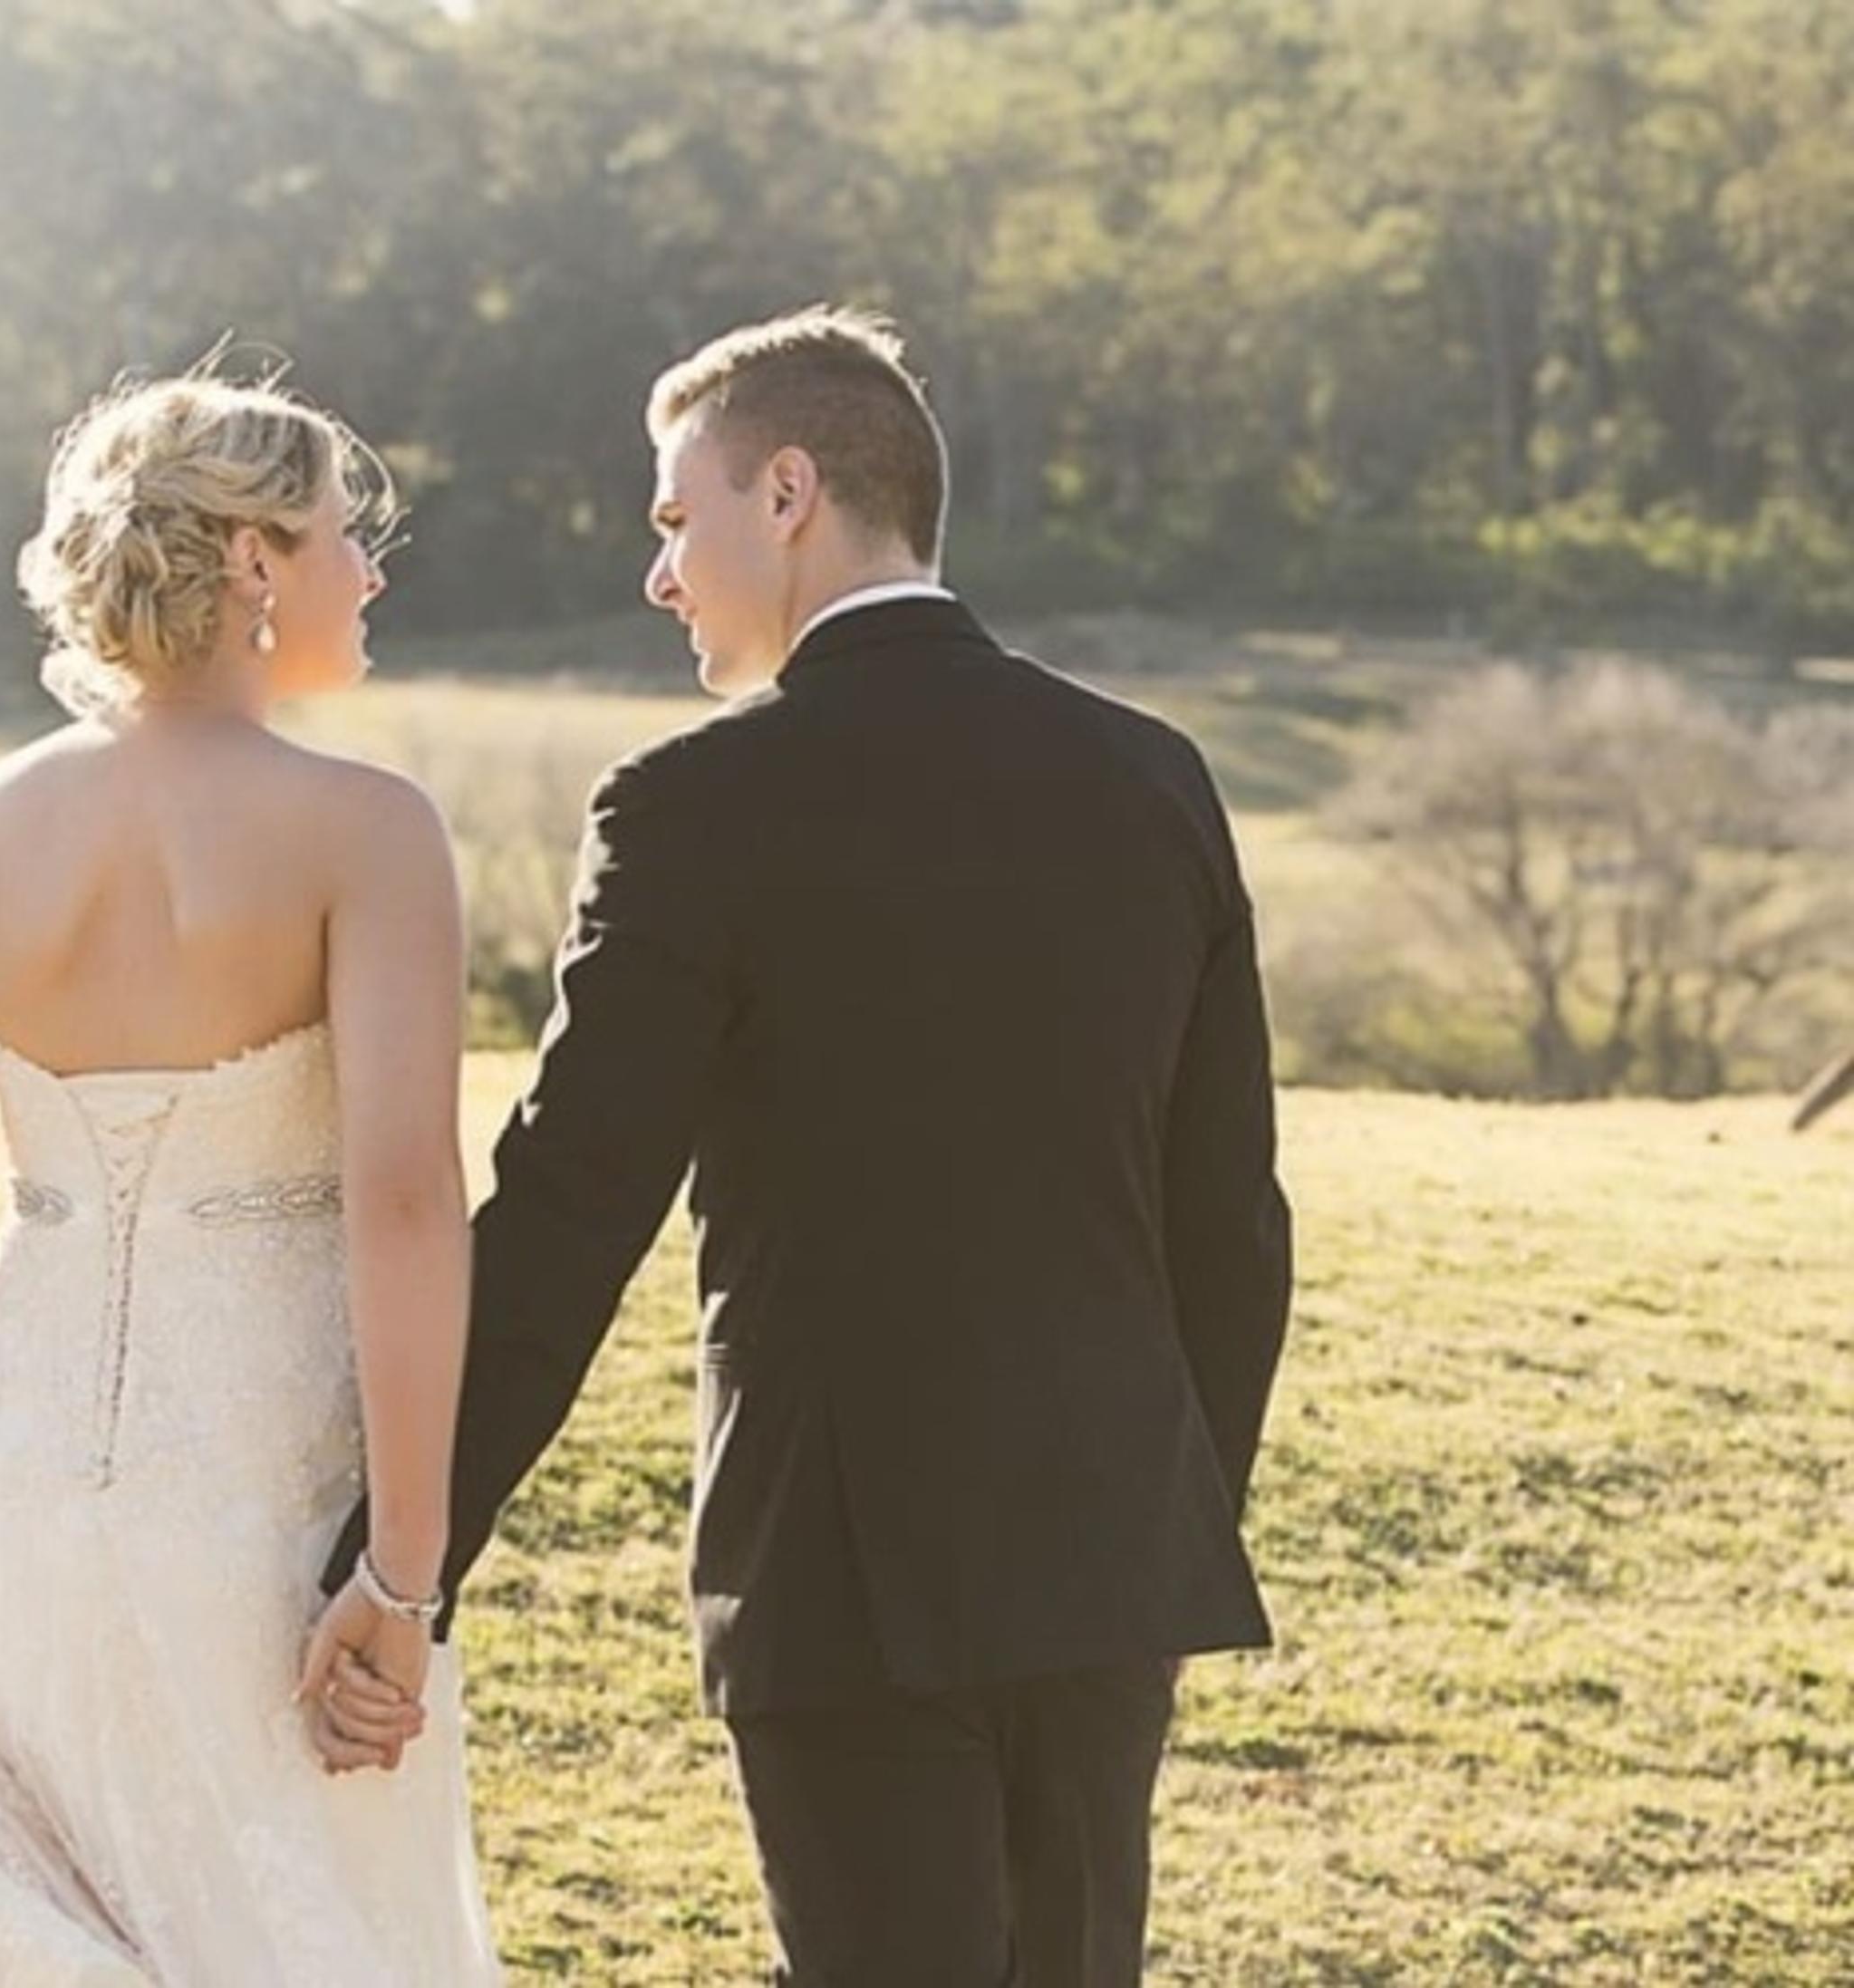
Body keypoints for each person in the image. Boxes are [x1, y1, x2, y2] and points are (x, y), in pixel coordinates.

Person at [326, 304, 1294, 1985]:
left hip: (841, 1579)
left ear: (787, 493)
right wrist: (1169, 1540)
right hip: (1107, 1568)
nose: (659, 574)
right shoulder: (1155, 777)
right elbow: (1233, 1220)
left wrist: (404, 1563)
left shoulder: (691, 807)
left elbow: (567, 1214)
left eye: (672, 515)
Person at [0, 366, 502, 1984]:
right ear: (253, 561)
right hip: (263, 1499)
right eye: (343, 533)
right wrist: (403, 1571)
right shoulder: (366, 830)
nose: (370, 570)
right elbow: (406, 1205)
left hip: (8, 1495)